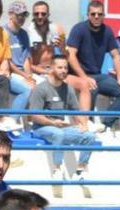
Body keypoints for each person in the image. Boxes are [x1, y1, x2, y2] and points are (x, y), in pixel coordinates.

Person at [27, 54, 99, 198]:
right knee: (58, 134)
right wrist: (52, 123)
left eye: (66, 68)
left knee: (90, 136)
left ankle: (81, 169)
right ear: (51, 69)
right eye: (60, 67)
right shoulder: (41, 89)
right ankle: (57, 169)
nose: (64, 70)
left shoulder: (68, 89)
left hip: (60, 127)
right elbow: (34, 116)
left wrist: (83, 124)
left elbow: (75, 111)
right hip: (41, 127)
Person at [64, 0, 120, 128]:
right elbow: (70, 56)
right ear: (88, 15)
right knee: (91, 88)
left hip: (96, 75)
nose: (96, 17)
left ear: (104, 15)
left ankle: (105, 126)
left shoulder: (107, 31)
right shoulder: (79, 29)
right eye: (93, 14)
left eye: (100, 14)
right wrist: (84, 77)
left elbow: (116, 55)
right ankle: (89, 123)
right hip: (77, 75)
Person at [4, 1, 35, 111]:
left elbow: (26, 59)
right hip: (10, 73)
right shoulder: (4, 32)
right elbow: (7, 61)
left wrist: (29, 76)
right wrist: (25, 76)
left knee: (45, 86)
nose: (22, 18)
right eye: (19, 15)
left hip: (22, 73)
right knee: (27, 89)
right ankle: (12, 119)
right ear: (11, 14)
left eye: (24, 15)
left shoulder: (24, 34)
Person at [27, 0, 65, 76]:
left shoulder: (59, 29)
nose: (40, 16)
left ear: (48, 14)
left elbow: (66, 52)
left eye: (43, 14)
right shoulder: (28, 32)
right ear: (33, 15)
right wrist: (46, 72)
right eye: (36, 14)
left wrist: (61, 46)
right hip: (37, 71)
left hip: (54, 68)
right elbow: (28, 64)